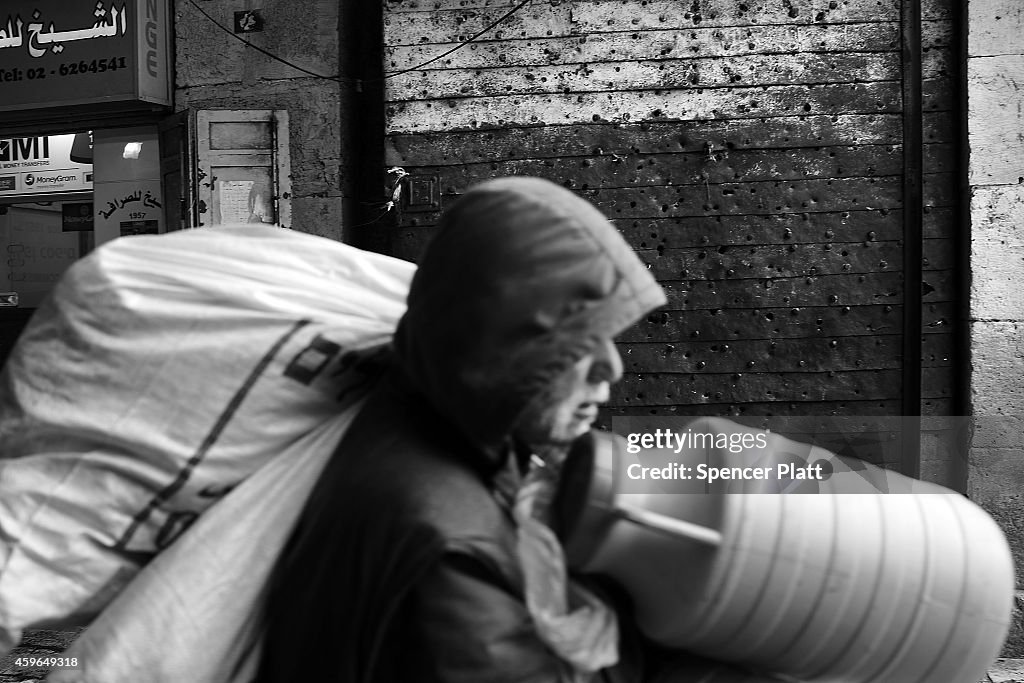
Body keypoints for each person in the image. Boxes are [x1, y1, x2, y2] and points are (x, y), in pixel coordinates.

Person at [252, 176, 768, 682]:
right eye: (579, 343)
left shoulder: (456, 427)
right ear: (499, 353)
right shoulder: (445, 550)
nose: (611, 368)